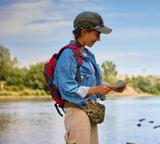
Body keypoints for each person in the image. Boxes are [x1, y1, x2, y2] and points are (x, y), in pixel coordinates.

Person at [52, 11, 125, 144]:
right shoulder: (68, 55)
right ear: (84, 31)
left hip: (89, 111)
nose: (99, 39)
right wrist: (96, 89)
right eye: (97, 34)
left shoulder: (88, 55)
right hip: (76, 111)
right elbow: (67, 89)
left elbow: (91, 84)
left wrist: (110, 87)